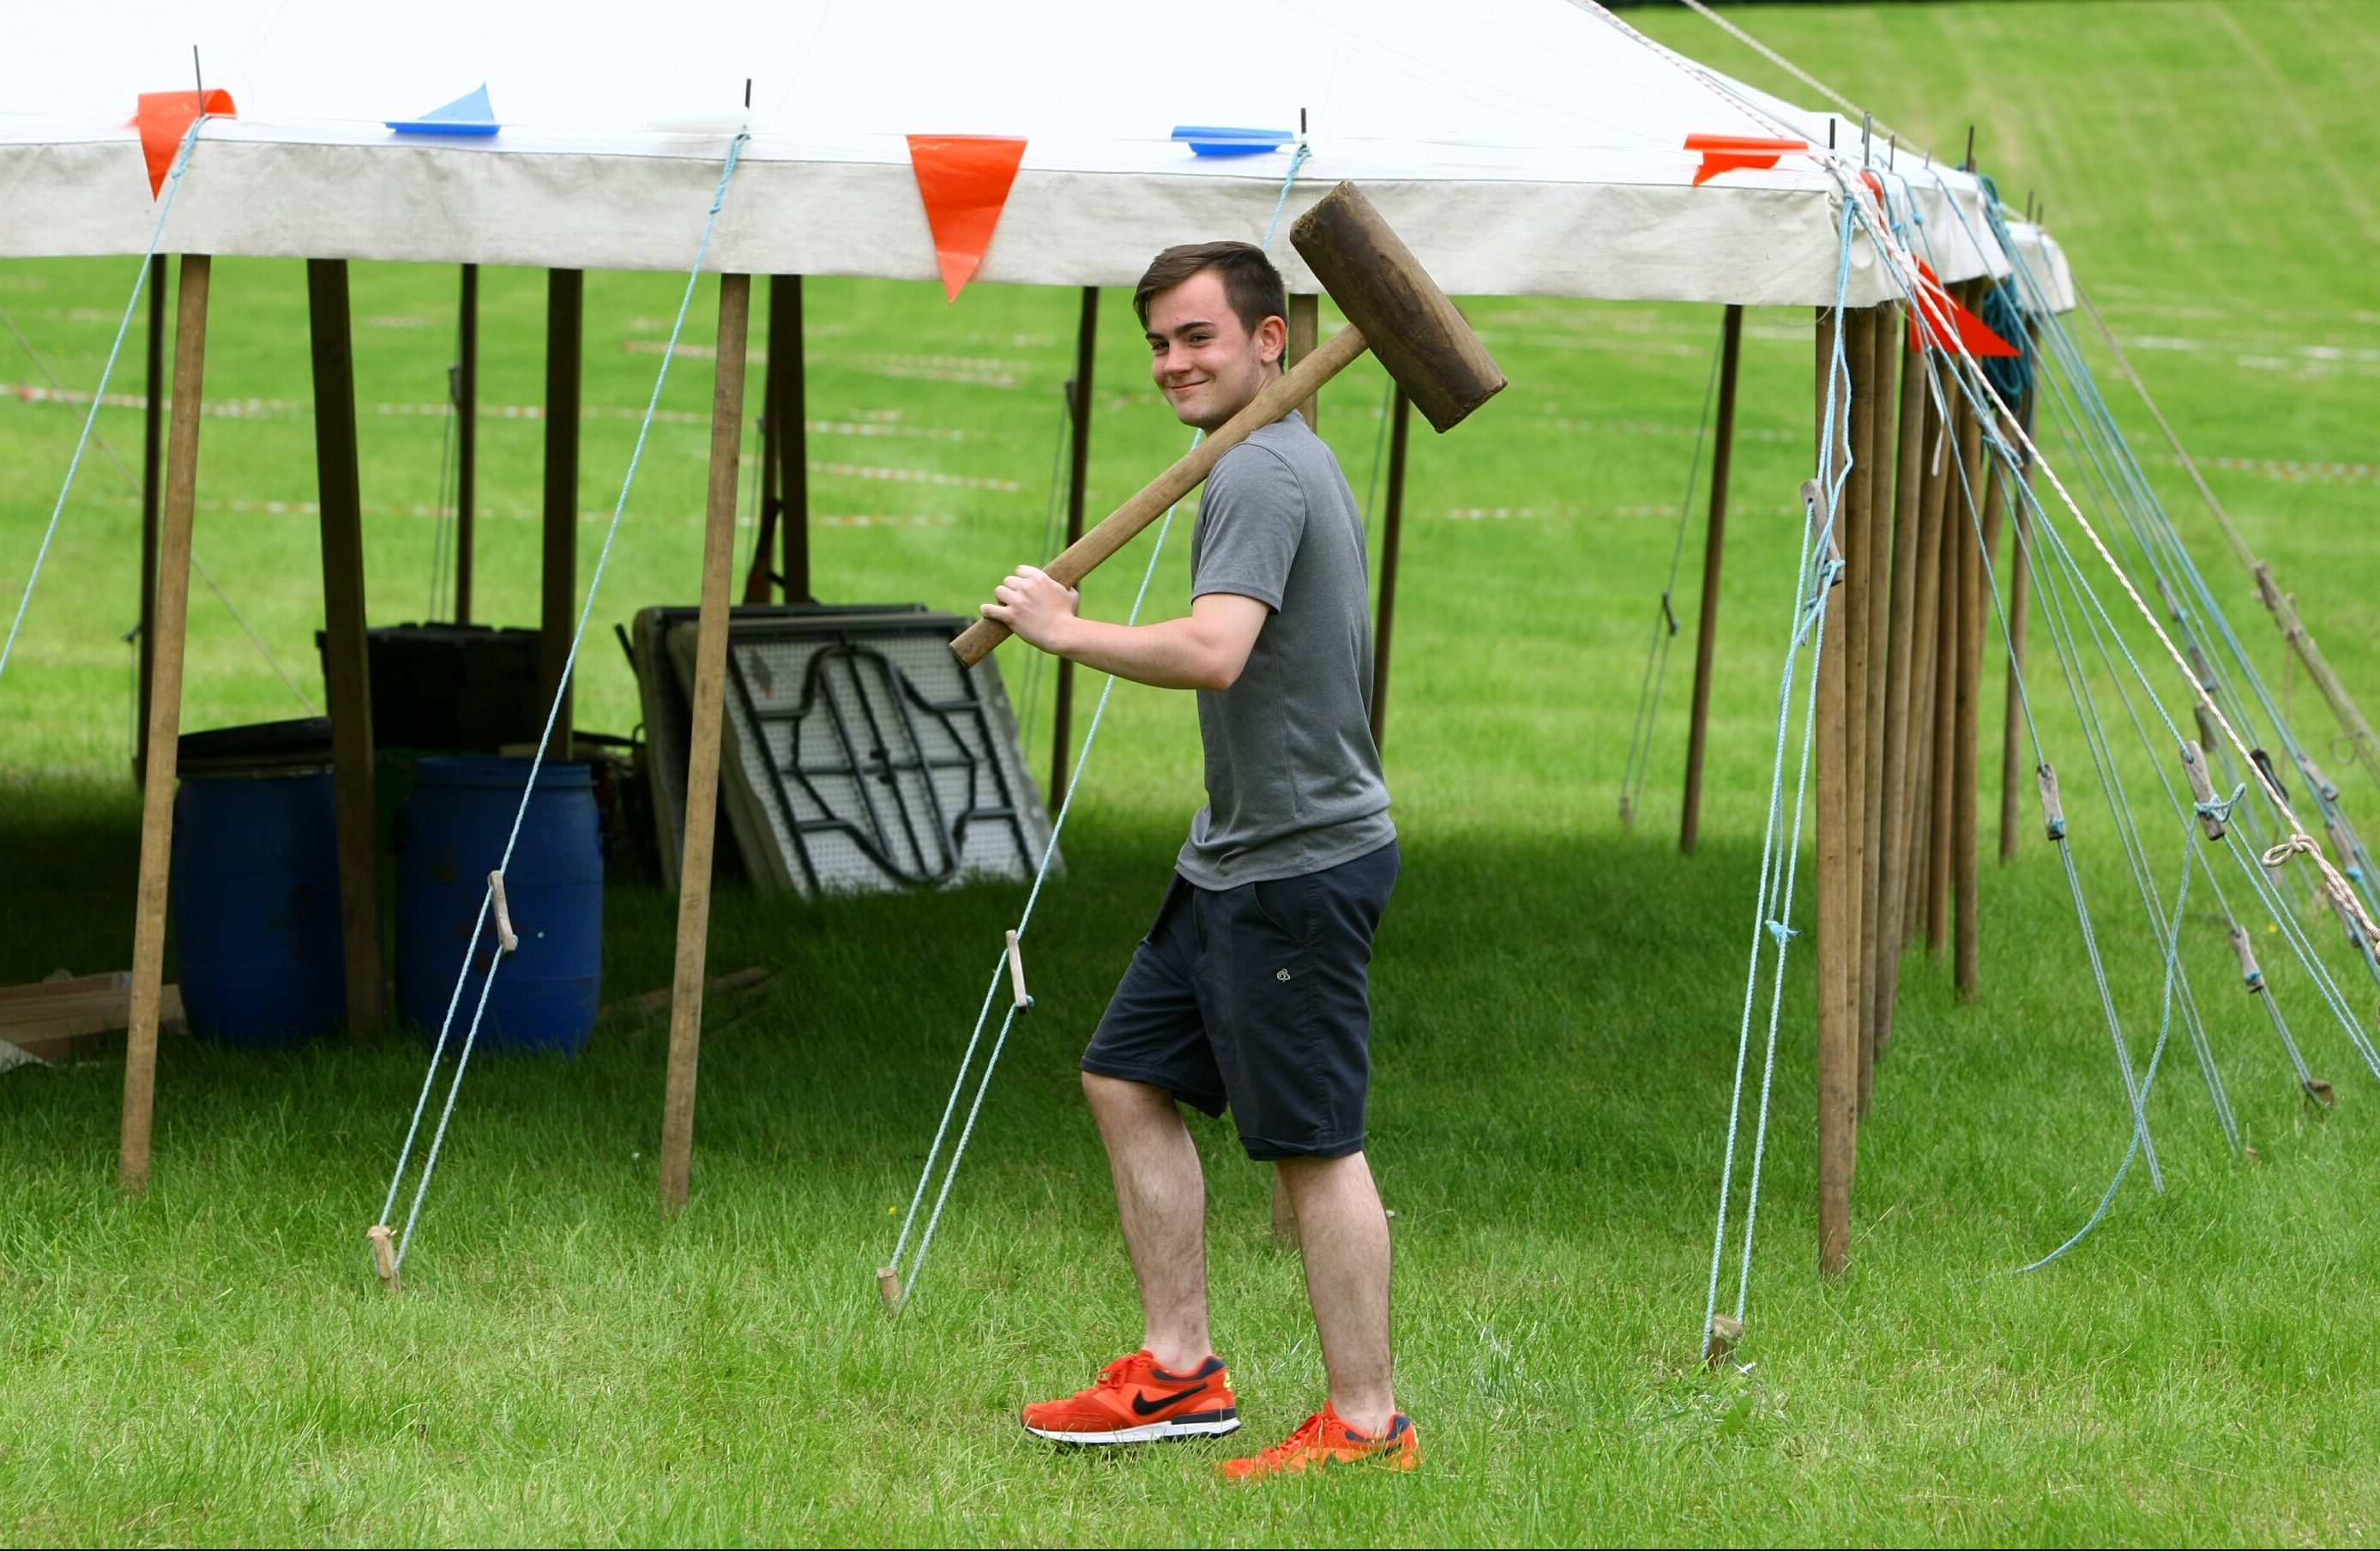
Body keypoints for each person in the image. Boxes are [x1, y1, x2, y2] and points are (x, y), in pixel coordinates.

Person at [980, 240, 1413, 1479]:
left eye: (1198, 337)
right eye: (1159, 342)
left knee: (1315, 1142)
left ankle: (1368, 1425)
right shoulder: (1250, 460)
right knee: (1125, 1077)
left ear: (1272, 339)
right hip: (1231, 856)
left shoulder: (1264, 472)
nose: (1173, 362)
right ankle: (1181, 1375)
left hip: (1298, 862)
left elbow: (1217, 649)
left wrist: (1064, 632)